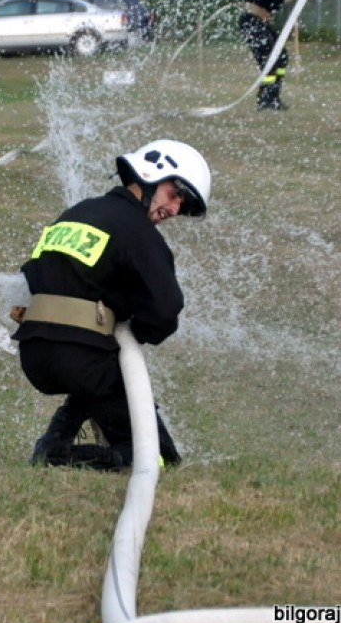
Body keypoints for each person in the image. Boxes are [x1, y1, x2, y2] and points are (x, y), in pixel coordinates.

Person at [13, 140, 211, 471]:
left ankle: (58, 438)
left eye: (182, 203)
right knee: (160, 457)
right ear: (150, 175)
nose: (175, 209)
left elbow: (34, 275)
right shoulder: (137, 230)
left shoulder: (78, 213)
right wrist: (139, 329)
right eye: (175, 194)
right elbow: (165, 309)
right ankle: (57, 454)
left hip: (35, 353)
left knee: (98, 384)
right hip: (83, 358)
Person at [238, 0, 335, 111]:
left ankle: (273, 97)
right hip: (251, 20)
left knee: (281, 57)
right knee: (269, 58)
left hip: (262, 21)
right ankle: (265, 99)